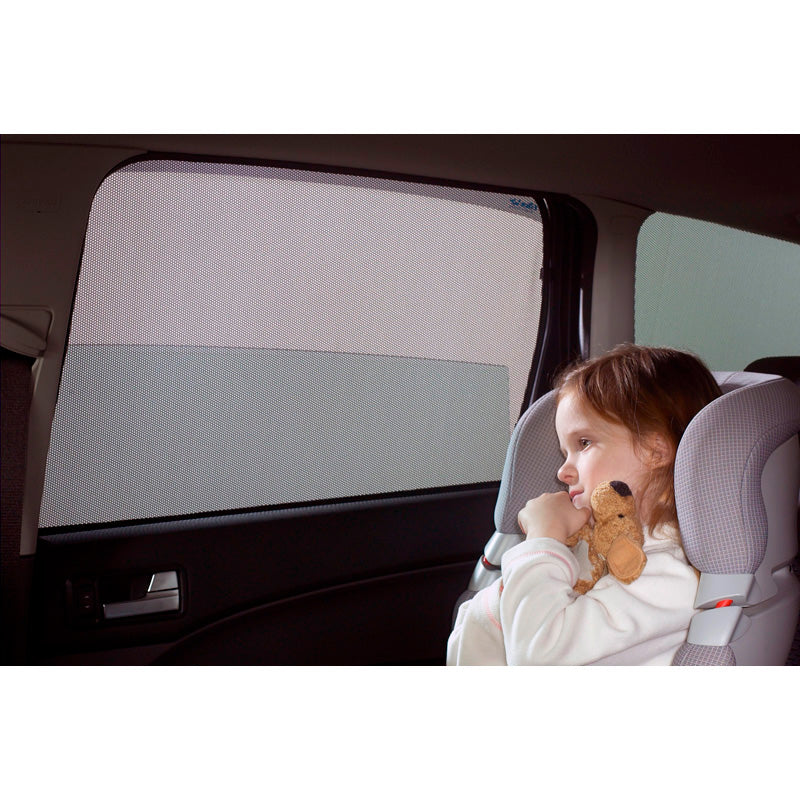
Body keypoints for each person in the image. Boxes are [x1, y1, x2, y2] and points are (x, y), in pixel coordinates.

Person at [446, 344, 722, 665]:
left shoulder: (668, 575)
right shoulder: (591, 548)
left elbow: (538, 657)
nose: (562, 472)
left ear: (655, 452)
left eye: (584, 443)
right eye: (565, 453)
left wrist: (544, 537)